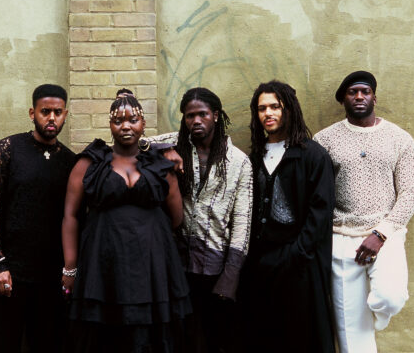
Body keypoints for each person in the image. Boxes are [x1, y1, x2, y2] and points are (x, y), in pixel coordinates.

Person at [61, 91, 191, 352]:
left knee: (149, 334)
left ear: (143, 124)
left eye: (133, 119)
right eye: (118, 121)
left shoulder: (160, 164)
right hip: (103, 263)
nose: (126, 126)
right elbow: (71, 216)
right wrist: (70, 268)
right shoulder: (90, 164)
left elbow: (176, 218)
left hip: (151, 265)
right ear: (110, 126)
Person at [314, 71, 414, 353]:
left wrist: (380, 233)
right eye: (352, 92)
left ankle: (379, 314)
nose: (359, 96)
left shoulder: (400, 139)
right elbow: (316, 194)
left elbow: (409, 194)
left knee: (390, 297)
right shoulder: (324, 140)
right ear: (343, 100)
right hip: (340, 237)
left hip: (386, 234)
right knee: (352, 333)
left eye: (365, 91)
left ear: (374, 96)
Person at [148, 87, 253, 353]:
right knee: (181, 337)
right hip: (177, 262)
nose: (195, 121)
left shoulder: (239, 161)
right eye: (189, 115)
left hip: (215, 265)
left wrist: (230, 276)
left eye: (202, 114)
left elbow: (242, 223)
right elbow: (135, 142)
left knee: (215, 337)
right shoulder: (176, 143)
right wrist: (162, 150)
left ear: (216, 116)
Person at [241, 80, 336, 352]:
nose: (267, 113)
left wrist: (296, 253)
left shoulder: (312, 155)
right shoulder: (256, 156)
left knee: (301, 337)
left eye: (275, 106)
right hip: (260, 264)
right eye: (261, 108)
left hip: (300, 265)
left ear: (289, 109)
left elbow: (321, 212)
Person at [0, 84, 76, 352]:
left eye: (58, 112)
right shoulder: (8, 149)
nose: (52, 118)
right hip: (9, 274)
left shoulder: (70, 161)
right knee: (2, 343)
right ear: (32, 113)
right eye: (45, 112)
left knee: (47, 343)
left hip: (51, 277)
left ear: (66, 114)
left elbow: (74, 218)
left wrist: (69, 269)